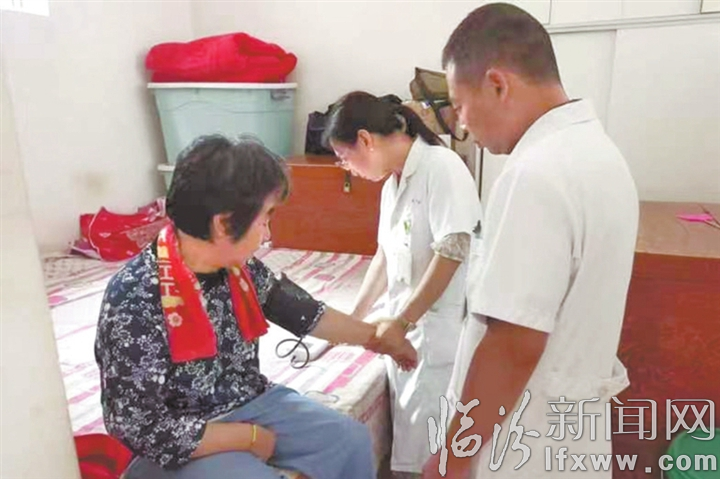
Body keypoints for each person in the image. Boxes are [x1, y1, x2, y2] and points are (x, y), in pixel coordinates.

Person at [94, 135, 418, 479]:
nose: (267, 235)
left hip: (249, 401)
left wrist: (377, 337)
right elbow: (137, 425)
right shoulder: (135, 297)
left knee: (349, 440)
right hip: (182, 433)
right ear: (223, 223)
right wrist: (246, 438)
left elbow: (306, 313)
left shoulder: (239, 269)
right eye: (264, 219)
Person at [422, 3, 639, 478]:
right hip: (568, 438)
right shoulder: (599, 153)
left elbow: (513, 342)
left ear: (498, 85)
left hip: (522, 446)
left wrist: (453, 458)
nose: (462, 125)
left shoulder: (536, 174)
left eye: (460, 105)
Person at [322, 91, 482, 478]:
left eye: (344, 157)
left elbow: (453, 249)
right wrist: (352, 319)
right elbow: (385, 256)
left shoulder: (441, 166)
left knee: (434, 456)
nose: (347, 169)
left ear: (365, 139)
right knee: (413, 454)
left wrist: (403, 322)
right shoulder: (391, 185)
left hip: (439, 332)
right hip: (407, 330)